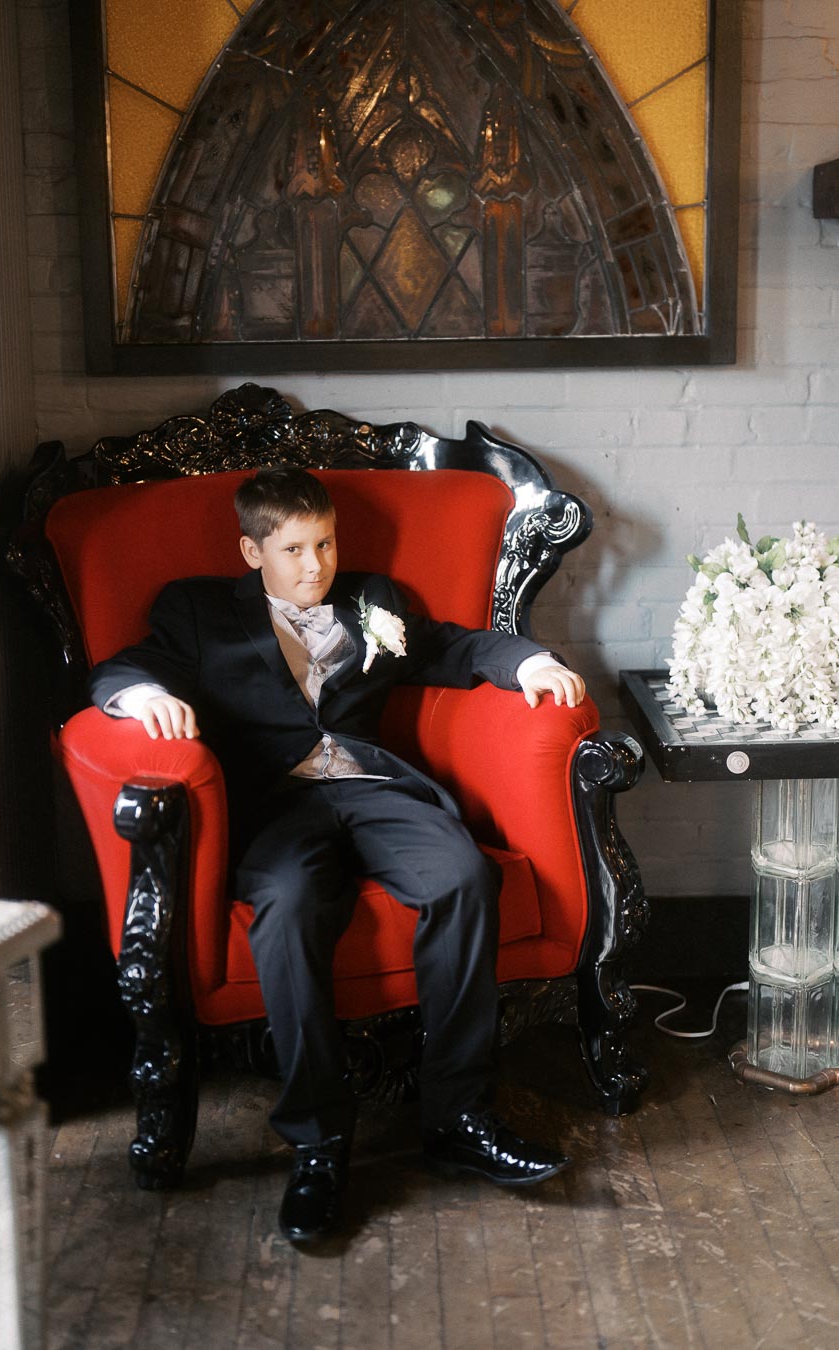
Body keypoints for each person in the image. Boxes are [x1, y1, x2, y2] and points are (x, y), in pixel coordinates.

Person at [90, 468, 586, 1244]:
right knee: (288, 907)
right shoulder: (197, 613)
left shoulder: (374, 599)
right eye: (291, 549)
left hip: (373, 789)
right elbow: (120, 667)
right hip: (275, 806)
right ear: (252, 551)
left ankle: (459, 1114)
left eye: (323, 543)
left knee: (461, 876)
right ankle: (319, 1142)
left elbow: (449, 649)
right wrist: (141, 698)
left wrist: (526, 664)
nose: (313, 565)